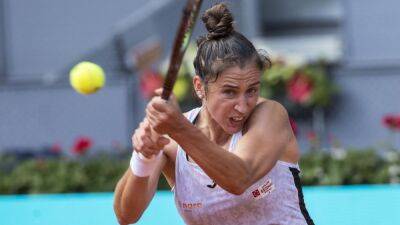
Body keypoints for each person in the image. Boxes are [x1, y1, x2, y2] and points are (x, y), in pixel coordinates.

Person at [114, 3, 314, 225]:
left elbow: (239, 178)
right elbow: (125, 215)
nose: (243, 105)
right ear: (199, 87)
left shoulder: (269, 114)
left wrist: (178, 127)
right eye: (229, 92)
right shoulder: (171, 141)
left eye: (252, 90)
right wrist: (144, 155)